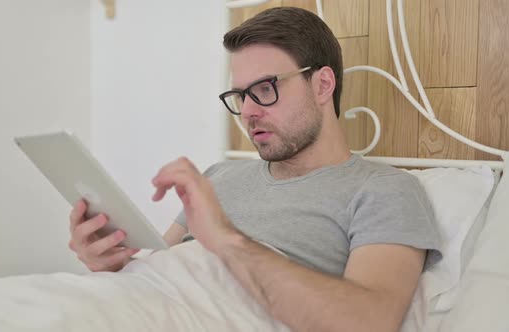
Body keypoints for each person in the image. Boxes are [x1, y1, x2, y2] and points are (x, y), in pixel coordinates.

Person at [68, 7, 441, 332]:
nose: (247, 111)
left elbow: (369, 322)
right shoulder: (217, 176)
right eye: (240, 95)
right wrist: (109, 263)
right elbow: (159, 280)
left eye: (264, 89)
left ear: (323, 84)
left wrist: (227, 240)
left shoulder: (383, 190)